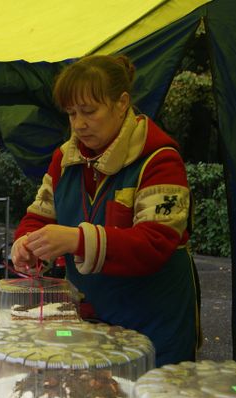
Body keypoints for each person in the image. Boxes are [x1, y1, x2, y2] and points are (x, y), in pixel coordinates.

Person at [11, 55, 199, 366]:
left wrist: (77, 240)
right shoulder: (64, 160)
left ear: (121, 103)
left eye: (89, 111)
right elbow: (39, 216)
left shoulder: (159, 160)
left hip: (156, 322)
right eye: (71, 114)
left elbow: (155, 243)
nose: (79, 124)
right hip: (92, 321)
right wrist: (27, 242)